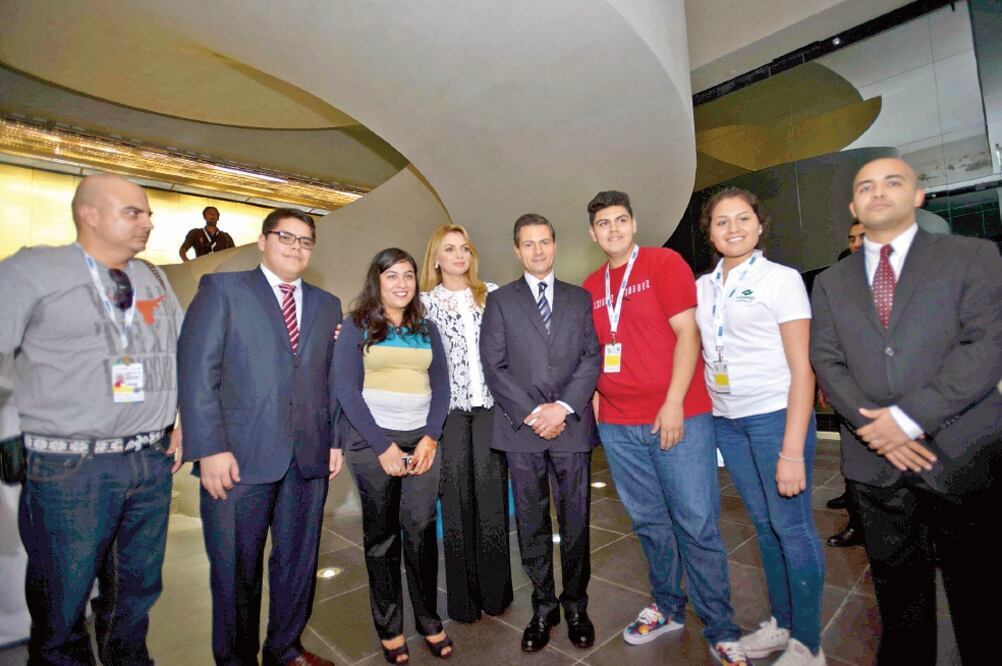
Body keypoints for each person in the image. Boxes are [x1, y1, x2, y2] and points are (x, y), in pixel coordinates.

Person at [810, 157, 1002, 663]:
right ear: (852, 206)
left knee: (980, 591)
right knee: (898, 593)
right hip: (875, 462)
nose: (878, 192)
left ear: (918, 195)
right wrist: (880, 429)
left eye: (892, 182)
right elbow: (825, 359)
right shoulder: (831, 281)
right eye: (865, 186)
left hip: (961, 453)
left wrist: (908, 420)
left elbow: (985, 347)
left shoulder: (974, 256)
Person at [0, 173, 183, 664]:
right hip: (69, 469)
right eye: (134, 212)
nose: (148, 222)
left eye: (147, 213)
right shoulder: (32, 271)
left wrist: (181, 415)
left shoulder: (155, 278)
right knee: (62, 603)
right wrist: (7, 428)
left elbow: (180, 351)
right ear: (90, 214)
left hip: (148, 463)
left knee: (136, 595)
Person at [582, 191, 745, 666]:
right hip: (618, 425)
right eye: (603, 223)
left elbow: (688, 333)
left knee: (696, 522)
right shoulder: (591, 286)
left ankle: (721, 625)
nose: (613, 229)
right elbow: (595, 352)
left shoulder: (662, 263)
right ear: (592, 234)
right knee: (650, 524)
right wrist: (596, 407)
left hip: (678, 416)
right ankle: (668, 607)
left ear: (633, 224)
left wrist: (673, 403)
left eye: (620, 220)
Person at [178, 208, 343, 666]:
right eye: (286, 237)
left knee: (297, 566)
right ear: (263, 241)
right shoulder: (223, 290)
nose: (296, 247)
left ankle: (285, 650)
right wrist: (208, 447)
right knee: (235, 572)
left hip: (308, 458)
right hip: (238, 460)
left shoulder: (328, 304)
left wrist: (334, 440)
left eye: (306, 241)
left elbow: (331, 378)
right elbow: (197, 372)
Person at [694, 188, 826, 665]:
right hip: (728, 422)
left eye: (742, 218)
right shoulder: (703, 287)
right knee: (765, 528)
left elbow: (802, 369)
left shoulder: (781, 280)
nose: (733, 228)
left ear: (759, 224)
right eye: (722, 221)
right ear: (709, 232)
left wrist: (792, 450)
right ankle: (782, 625)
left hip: (775, 418)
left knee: (793, 527)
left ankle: (808, 644)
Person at [480, 214, 601, 654]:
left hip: (570, 426)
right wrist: (534, 412)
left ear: (555, 244)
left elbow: (592, 357)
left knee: (575, 522)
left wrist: (563, 408)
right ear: (516, 250)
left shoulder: (579, 298)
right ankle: (543, 605)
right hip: (522, 430)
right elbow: (493, 364)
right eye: (528, 244)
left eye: (544, 242)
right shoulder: (500, 302)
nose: (537, 251)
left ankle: (575, 605)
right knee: (531, 523)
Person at [333, 248, 452, 664]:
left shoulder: (428, 328)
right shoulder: (357, 326)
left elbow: (442, 387)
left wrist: (430, 439)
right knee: (381, 539)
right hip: (372, 444)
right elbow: (346, 389)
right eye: (391, 276)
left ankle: (429, 619)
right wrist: (382, 446)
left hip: (422, 442)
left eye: (407, 275)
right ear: (377, 282)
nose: (401, 283)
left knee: (420, 530)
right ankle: (389, 626)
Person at [419, 225, 513, 623]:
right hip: (450, 415)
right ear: (436, 258)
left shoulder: (491, 294)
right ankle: (463, 601)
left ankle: (496, 595)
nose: (459, 255)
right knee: (455, 506)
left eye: (465, 248)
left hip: (491, 410)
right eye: (450, 249)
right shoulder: (422, 304)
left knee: (492, 503)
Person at [825, 220, 866, 549]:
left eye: (862, 236)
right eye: (852, 238)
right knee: (854, 458)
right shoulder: (839, 285)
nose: (856, 243)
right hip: (850, 388)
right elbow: (829, 340)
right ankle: (859, 523)